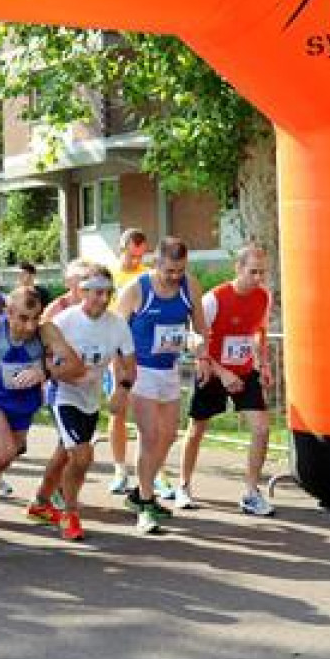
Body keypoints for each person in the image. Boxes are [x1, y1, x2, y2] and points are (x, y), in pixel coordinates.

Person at [0, 288, 79, 539]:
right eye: (23, 318)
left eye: (35, 317)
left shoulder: (46, 332)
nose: (30, 325)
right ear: (8, 313)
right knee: (5, 450)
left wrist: (45, 372)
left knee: (12, 452)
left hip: (24, 403)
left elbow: (74, 364)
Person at [25, 264, 136, 541]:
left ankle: (40, 503)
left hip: (91, 398)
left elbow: (129, 365)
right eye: (97, 292)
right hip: (63, 395)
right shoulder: (64, 321)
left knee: (65, 454)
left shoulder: (118, 324)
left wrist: (121, 390)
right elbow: (42, 357)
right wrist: (60, 372)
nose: (103, 298)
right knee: (82, 456)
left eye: (108, 293)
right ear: (82, 292)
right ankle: (70, 513)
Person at [113, 236, 210, 533]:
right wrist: (122, 379)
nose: (174, 277)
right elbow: (115, 333)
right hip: (140, 369)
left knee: (167, 436)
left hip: (169, 369)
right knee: (150, 435)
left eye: (180, 270)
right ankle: (145, 505)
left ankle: (140, 493)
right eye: (169, 271)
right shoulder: (136, 289)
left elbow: (200, 327)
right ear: (156, 263)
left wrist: (200, 349)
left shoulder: (189, 286)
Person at [179, 245, 276, 516]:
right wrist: (221, 372)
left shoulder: (263, 297)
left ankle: (251, 492)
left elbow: (258, 332)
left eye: (262, 272)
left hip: (245, 371)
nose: (258, 278)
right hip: (212, 369)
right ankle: (183, 485)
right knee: (197, 430)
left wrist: (264, 363)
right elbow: (194, 340)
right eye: (252, 272)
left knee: (262, 429)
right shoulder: (215, 299)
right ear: (239, 268)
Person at [106, 228, 152, 493]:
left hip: (143, 351)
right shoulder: (111, 276)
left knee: (146, 410)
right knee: (119, 407)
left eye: (140, 256)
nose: (135, 261)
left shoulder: (146, 277)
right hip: (118, 350)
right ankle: (119, 468)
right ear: (121, 248)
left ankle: (148, 470)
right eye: (131, 255)